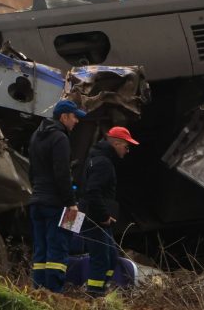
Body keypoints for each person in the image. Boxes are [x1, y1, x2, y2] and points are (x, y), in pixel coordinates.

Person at [29, 99, 86, 292]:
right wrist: (71, 203)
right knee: (58, 250)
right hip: (56, 204)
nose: (76, 121)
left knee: (40, 251)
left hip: (37, 202)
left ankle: (37, 293)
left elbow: (31, 171)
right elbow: (62, 174)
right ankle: (54, 296)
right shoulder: (61, 138)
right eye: (74, 117)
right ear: (64, 117)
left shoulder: (36, 136)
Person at [79, 125, 140, 297]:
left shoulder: (95, 158)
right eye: (126, 146)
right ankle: (94, 295)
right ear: (116, 143)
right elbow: (93, 191)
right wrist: (103, 216)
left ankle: (102, 289)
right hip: (95, 219)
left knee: (111, 257)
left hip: (94, 217)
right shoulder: (103, 163)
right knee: (101, 259)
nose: (127, 151)